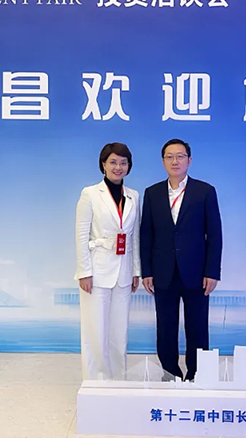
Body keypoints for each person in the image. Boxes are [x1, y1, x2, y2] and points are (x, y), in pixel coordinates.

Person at [140, 138, 222, 381]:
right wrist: (146, 271)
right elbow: (146, 235)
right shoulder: (152, 193)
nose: (175, 161)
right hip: (163, 271)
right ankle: (170, 374)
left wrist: (212, 272)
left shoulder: (205, 191)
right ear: (163, 161)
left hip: (196, 272)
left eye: (180, 156)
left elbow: (215, 234)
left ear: (189, 160)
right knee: (165, 327)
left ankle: (197, 374)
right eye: (169, 157)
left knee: (197, 326)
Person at [75, 142, 141, 380]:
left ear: (129, 166)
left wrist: (136, 270)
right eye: (113, 162)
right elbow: (81, 234)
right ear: (103, 164)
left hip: (124, 271)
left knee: (119, 332)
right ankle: (95, 381)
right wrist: (84, 271)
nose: (118, 167)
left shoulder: (133, 196)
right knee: (95, 331)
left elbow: (134, 236)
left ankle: (117, 380)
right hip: (97, 270)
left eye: (123, 163)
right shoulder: (90, 194)